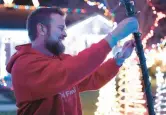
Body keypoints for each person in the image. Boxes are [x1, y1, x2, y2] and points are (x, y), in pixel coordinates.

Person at [6, 8, 138, 115]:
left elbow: (93, 78)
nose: (65, 34)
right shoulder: (24, 66)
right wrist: (113, 37)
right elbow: (69, 71)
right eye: (60, 28)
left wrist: (118, 59)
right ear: (42, 29)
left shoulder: (61, 60)